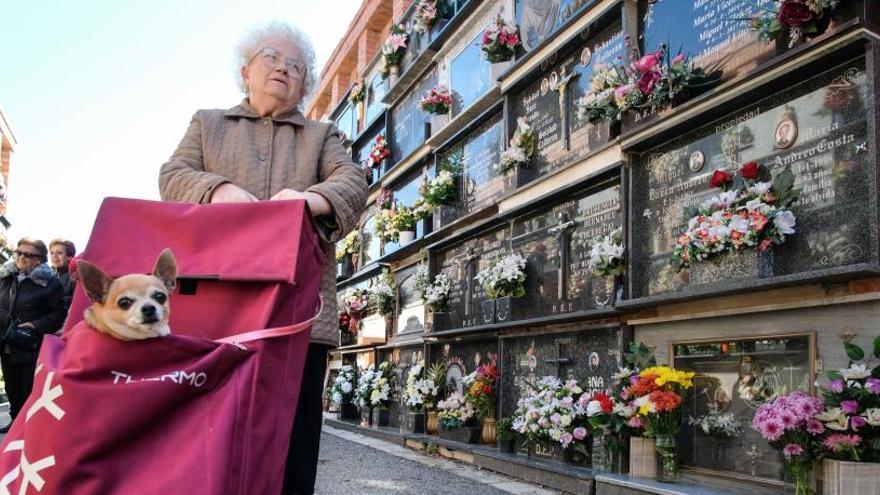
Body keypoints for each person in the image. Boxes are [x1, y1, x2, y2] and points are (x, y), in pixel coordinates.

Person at [158, 22, 367, 495]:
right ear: (245, 70)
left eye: (296, 66)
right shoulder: (208, 123)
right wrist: (218, 188)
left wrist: (306, 200)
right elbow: (173, 175)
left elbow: (352, 182)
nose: (283, 68)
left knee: (291, 446)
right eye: (272, 57)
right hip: (214, 308)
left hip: (299, 315)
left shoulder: (321, 135)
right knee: (205, 435)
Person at [0, 238, 65, 432]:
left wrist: (36, 325)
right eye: (19, 252)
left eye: (28, 255)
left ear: (39, 259)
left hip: (30, 345)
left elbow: (58, 313)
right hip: (5, 341)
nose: (21, 257)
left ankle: (30, 429)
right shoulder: (5, 277)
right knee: (12, 388)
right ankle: (15, 423)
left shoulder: (49, 283)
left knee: (28, 389)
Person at [49, 238, 77, 314]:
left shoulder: (75, 276)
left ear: (70, 257)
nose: (54, 256)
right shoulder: (49, 276)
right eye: (52, 253)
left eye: (59, 253)